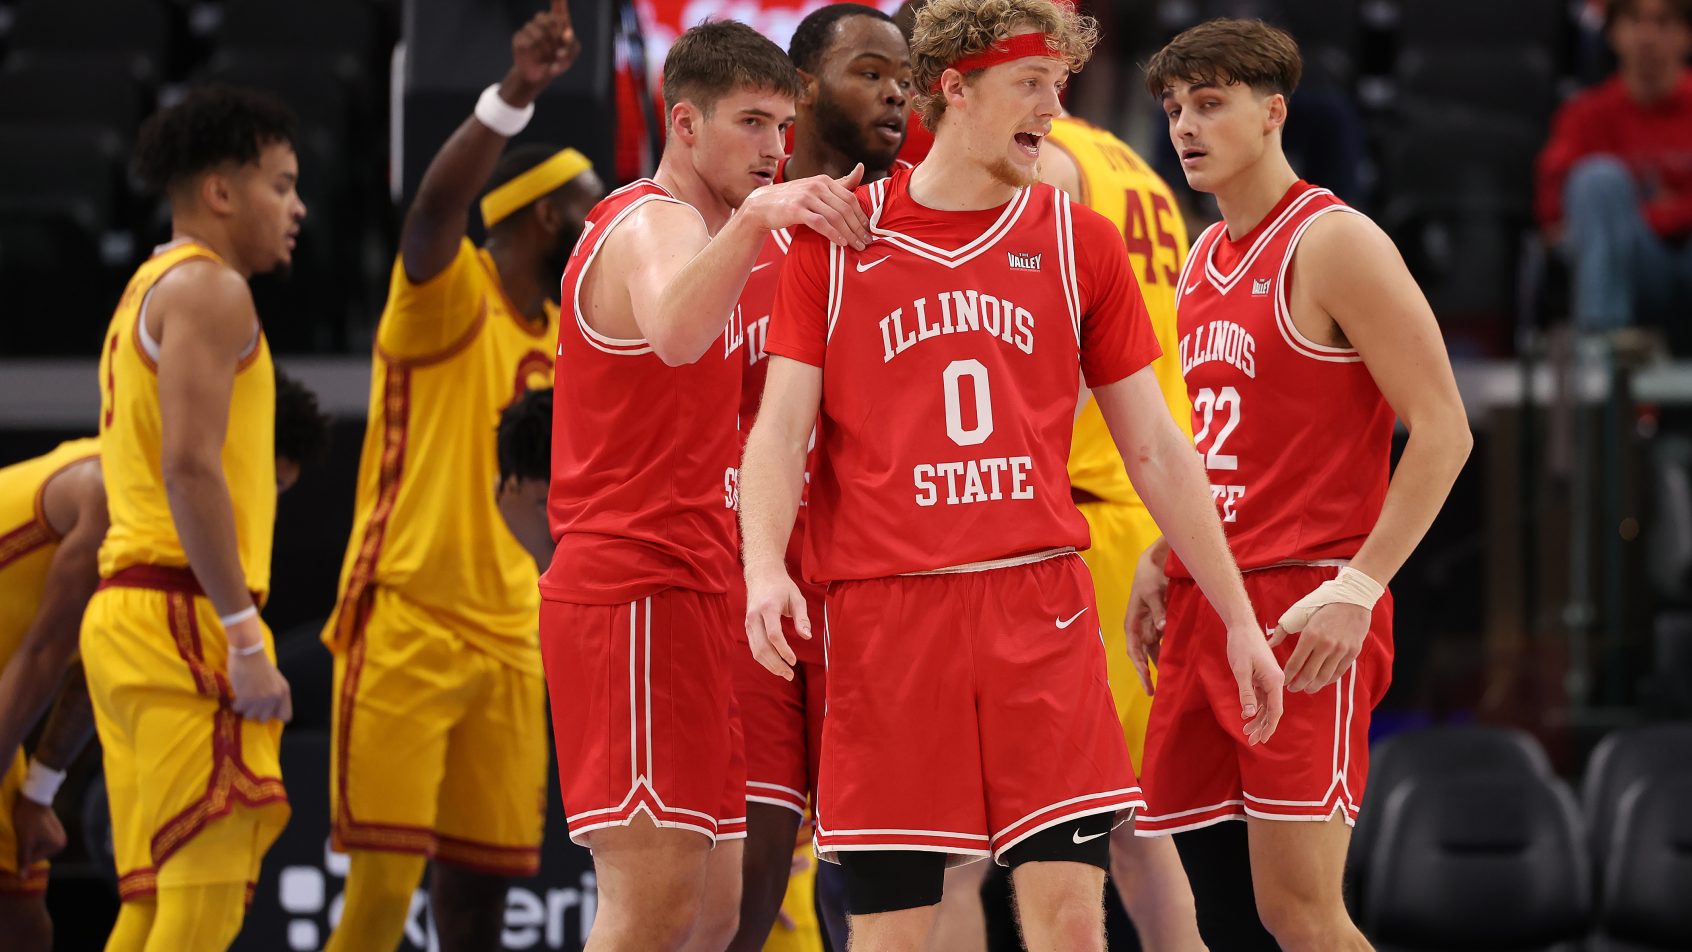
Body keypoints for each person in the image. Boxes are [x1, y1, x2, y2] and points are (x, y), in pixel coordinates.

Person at [740, 3, 1283, 949]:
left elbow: (1158, 446)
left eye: (1060, 85)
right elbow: (779, 436)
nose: (1053, 107)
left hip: (1042, 609)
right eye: (1032, 84)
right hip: (886, 614)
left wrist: (1237, 616)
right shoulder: (839, 240)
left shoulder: (1081, 241)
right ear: (955, 89)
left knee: (1074, 919)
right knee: (897, 930)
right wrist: (761, 570)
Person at [1130, 19, 1473, 952]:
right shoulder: (1201, 258)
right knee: (1212, 910)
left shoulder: (1334, 242)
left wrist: (1360, 588)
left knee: (1303, 913)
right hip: (1212, 598)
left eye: (1210, 104)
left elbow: (1445, 431)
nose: (1186, 128)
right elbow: (1222, 448)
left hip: (1302, 603)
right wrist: (1166, 552)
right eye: (1173, 109)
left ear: (1273, 111)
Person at [541, 18, 869, 952]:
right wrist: (764, 223)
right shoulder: (655, 220)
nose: (774, 149)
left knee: (716, 912)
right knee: (648, 913)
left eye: (782, 125)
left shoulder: (715, 233)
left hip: (700, 587)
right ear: (684, 126)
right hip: (633, 589)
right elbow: (679, 334)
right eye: (750, 123)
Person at [318, 5, 604, 950]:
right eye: (588, 208)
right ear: (543, 217)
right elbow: (435, 209)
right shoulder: (448, 298)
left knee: (484, 899)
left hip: (515, 638)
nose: (600, 226)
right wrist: (515, 92)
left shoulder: (571, 337)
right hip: (411, 619)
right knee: (378, 897)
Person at [79, 82, 304, 952]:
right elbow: (188, 466)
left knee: (151, 902)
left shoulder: (147, 286)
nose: (297, 206)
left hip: (130, 613)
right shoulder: (211, 290)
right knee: (205, 898)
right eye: (280, 184)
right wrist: (245, 638)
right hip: (182, 612)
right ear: (220, 192)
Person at [0, 373, 327, 952]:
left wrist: (38, 793)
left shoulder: (157, 531)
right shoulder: (111, 492)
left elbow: (87, 667)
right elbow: (45, 654)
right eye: (268, 481)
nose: (266, 503)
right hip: (19, 673)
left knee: (24, 921)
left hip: (18, 683)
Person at [727, 7, 911, 952]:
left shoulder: (915, 235)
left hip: (867, 578)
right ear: (801, 89)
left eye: (905, 79)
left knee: (867, 882)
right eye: (871, 71)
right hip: (749, 572)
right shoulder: (722, 231)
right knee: (746, 885)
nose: (895, 92)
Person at [1041, 114, 1205, 950]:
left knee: (1091, 822)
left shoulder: (1049, 168)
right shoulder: (1132, 165)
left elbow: (1049, 348)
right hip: (1141, 501)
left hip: (1084, 502)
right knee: (1138, 822)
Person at [1535, 0, 1692, 338]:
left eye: (1663, 23)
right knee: (1598, 179)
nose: (1648, 36)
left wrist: (1645, 213)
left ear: (1687, 34)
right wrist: (1653, 213)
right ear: (1613, 33)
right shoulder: (1585, 115)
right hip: (1626, 264)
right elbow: (1554, 218)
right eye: (1635, 21)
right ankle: (1603, 356)